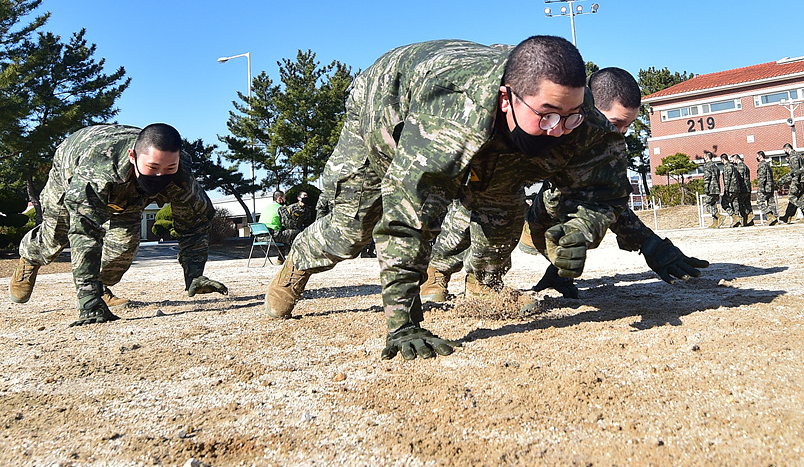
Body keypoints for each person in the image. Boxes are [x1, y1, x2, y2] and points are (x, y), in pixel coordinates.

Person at [263, 36, 633, 361]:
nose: (561, 130)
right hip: (385, 103)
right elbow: (408, 216)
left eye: (573, 116)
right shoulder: (452, 117)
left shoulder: (579, 119)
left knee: (503, 195)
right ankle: (297, 263)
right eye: (549, 116)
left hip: (487, 116)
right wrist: (402, 322)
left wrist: (583, 228)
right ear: (507, 100)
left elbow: (607, 189)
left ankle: (486, 286)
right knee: (353, 226)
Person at [421, 67, 708, 302]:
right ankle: (438, 272)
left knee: (576, 207)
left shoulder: (601, 143)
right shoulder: (552, 119)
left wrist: (650, 244)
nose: (619, 133)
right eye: (616, 122)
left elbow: (604, 197)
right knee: (479, 197)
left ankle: (491, 277)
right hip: (495, 174)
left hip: (539, 208)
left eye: (627, 126)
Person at [10, 123, 227, 326]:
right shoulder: (97, 169)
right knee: (57, 233)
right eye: (153, 167)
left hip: (131, 188)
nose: (160, 175)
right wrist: (88, 301)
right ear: (133, 156)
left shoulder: (181, 172)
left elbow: (194, 223)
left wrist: (194, 274)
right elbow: (84, 232)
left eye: (169, 167)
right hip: (73, 162)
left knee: (124, 247)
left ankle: (100, 287)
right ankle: (30, 258)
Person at [779, 143, 804, 224]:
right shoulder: (799, 155)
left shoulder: (793, 157)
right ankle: (788, 216)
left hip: (797, 180)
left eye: (785, 150)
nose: (785, 153)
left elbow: (795, 171)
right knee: (797, 199)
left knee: (792, 197)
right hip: (803, 180)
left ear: (787, 149)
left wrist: (795, 182)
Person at [719, 153, 744, 227]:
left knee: (724, 203)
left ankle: (734, 216)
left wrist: (726, 190)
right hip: (736, 189)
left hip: (730, 189)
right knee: (735, 205)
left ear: (723, 159)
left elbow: (727, 179)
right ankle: (738, 221)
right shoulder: (734, 166)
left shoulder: (727, 167)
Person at [755, 151, 778, 225]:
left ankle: (770, 215)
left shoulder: (762, 164)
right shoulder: (767, 164)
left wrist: (761, 187)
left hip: (765, 187)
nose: (757, 158)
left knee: (759, 202)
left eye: (757, 156)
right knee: (771, 203)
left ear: (760, 156)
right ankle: (775, 219)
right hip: (770, 186)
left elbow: (762, 177)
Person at [702, 151, 723, 228]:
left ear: (707, 157)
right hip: (716, 188)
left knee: (706, 204)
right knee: (713, 205)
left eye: (704, 157)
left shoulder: (708, 166)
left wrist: (706, 187)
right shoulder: (715, 166)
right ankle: (715, 222)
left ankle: (718, 216)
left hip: (711, 188)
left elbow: (707, 177)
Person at [733, 154, 754, 226]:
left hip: (743, 188)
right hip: (747, 188)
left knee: (740, 204)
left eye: (733, 160)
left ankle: (748, 216)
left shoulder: (740, 166)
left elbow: (740, 178)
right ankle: (749, 221)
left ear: (736, 159)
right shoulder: (745, 166)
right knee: (747, 204)